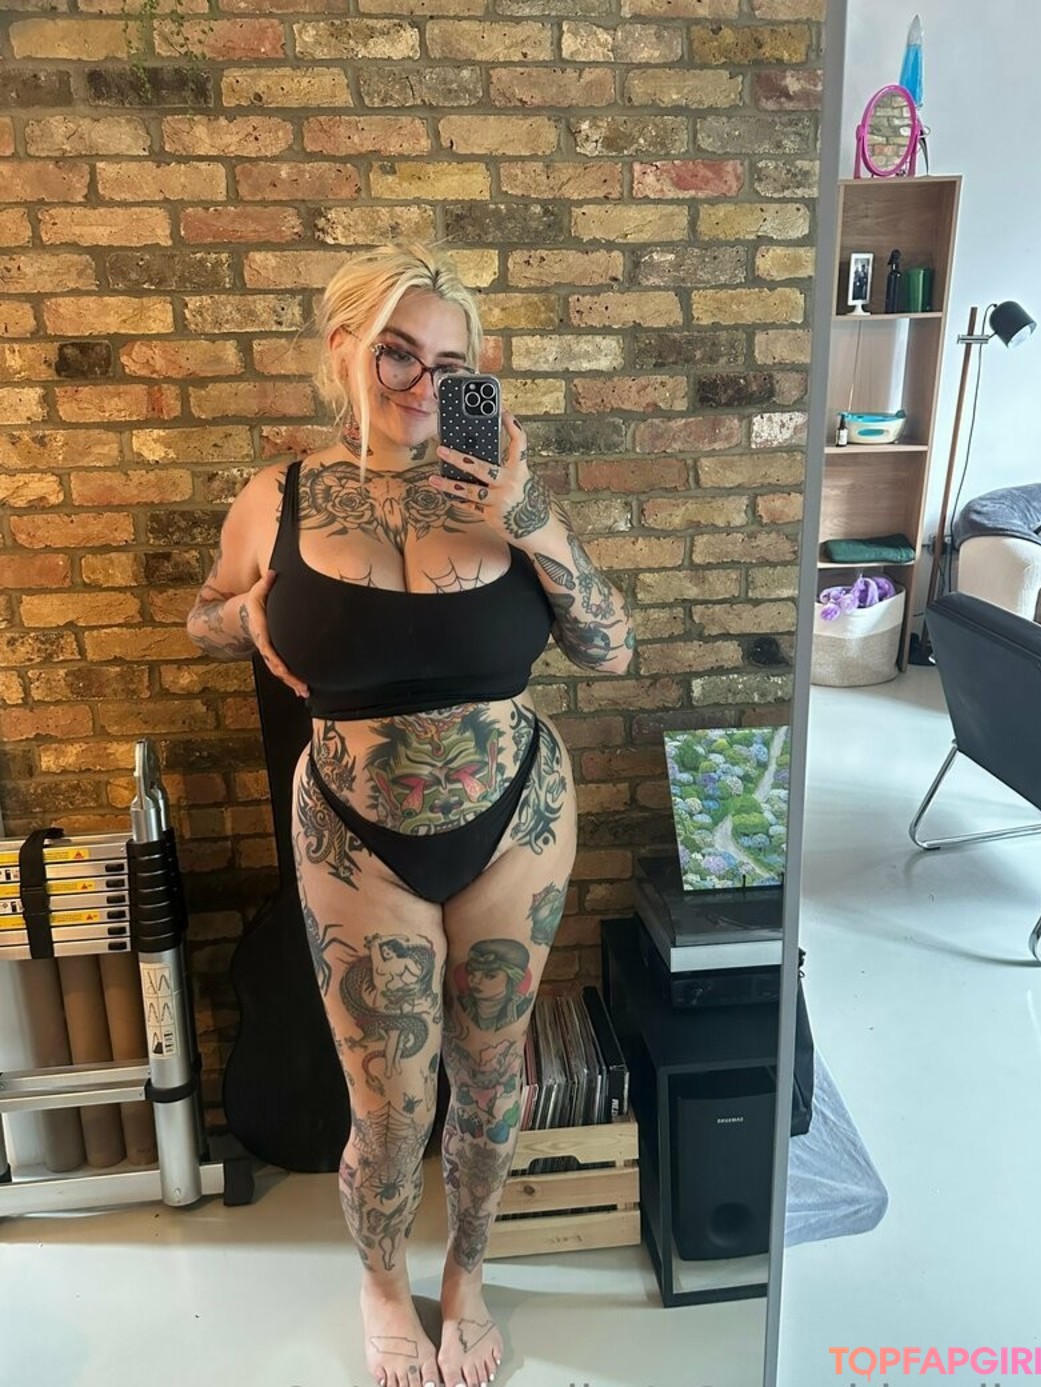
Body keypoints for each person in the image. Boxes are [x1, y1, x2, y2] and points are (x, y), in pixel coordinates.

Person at [186, 243, 635, 1387]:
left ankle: (467, 1278)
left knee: (491, 1084)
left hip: (515, 822)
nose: (424, 384)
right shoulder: (278, 497)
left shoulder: (506, 490)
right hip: (353, 836)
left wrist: (530, 516)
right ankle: (383, 1283)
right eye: (398, 353)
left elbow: (611, 645)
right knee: (391, 1109)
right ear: (345, 348)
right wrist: (251, 620)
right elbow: (205, 614)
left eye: (450, 364)